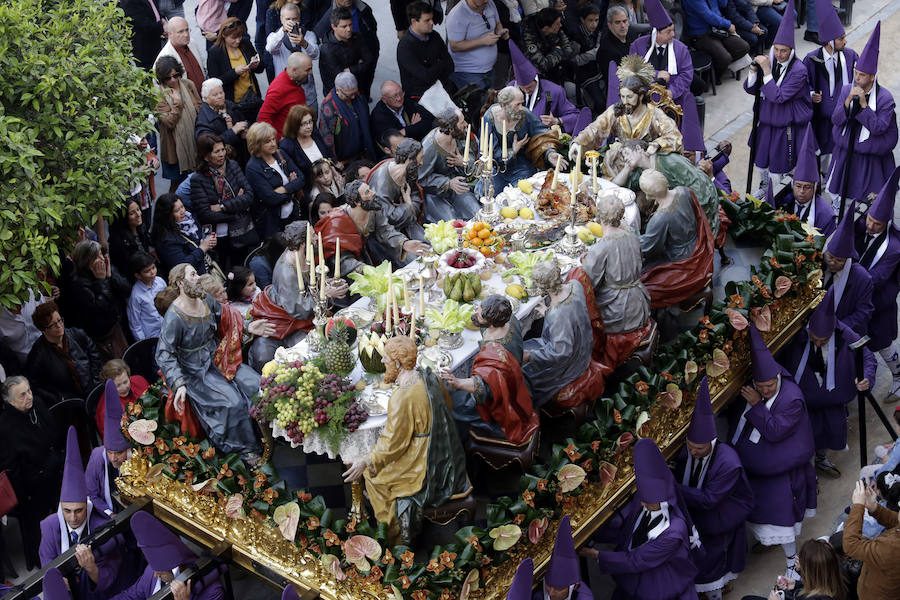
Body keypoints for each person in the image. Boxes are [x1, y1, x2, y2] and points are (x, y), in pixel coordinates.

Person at [342, 336, 469, 545]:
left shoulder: (402, 397)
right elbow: (448, 406)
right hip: (443, 447)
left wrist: (367, 461)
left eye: (386, 360)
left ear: (399, 364)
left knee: (376, 478)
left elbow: (393, 445)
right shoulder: (429, 377)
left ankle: (395, 538)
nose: (382, 362)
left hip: (423, 461)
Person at [729, 323, 817, 580]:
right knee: (762, 517)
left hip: (784, 473)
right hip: (758, 471)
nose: (765, 391)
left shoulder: (791, 398)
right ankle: (769, 541)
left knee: (782, 522)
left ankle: (792, 561)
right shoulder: (755, 389)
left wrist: (758, 405)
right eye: (761, 386)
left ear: (778, 376)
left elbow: (776, 431)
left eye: (769, 386)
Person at [156, 263, 267, 464]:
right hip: (196, 371)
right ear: (180, 282)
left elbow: (227, 318)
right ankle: (245, 450)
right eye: (193, 274)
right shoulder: (174, 317)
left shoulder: (205, 299)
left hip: (219, 356)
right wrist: (178, 382)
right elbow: (164, 353)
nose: (198, 277)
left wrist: (248, 327)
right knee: (232, 403)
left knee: (255, 383)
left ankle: (266, 432)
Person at [579, 438, 699, 599]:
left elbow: (637, 560)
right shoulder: (645, 501)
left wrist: (595, 554)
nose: (642, 503)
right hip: (633, 579)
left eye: (647, 502)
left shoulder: (674, 532)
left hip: (659, 587)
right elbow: (628, 530)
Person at [673, 377, 753, 600]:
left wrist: (675, 489)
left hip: (721, 515)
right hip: (699, 513)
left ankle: (716, 592)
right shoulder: (688, 451)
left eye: (698, 448)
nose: (693, 452)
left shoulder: (728, 463)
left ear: (712, 441)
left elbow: (709, 499)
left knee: (715, 558)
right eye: (690, 447)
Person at [784, 288, 876, 478]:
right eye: (814, 339)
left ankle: (821, 458)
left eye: (823, 340)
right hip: (806, 399)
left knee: (831, 431)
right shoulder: (800, 333)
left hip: (833, 398)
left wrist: (866, 377)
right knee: (806, 437)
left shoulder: (845, 333)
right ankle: (808, 474)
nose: (818, 343)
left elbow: (867, 357)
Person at [40, 427, 128, 600]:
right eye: (67, 511)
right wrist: (57, 581)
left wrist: (92, 568)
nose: (73, 518)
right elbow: (47, 565)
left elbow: (111, 576)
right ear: (60, 507)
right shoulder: (49, 526)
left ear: (87, 506)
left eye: (79, 510)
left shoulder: (104, 530)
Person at [441, 295, 539, 444]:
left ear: (490, 322)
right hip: (515, 377)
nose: (475, 313)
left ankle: (461, 443)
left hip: (502, 399)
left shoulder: (494, 352)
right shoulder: (511, 320)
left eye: (479, 314)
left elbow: (483, 386)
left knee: (454, 404)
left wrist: (458, 382)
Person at [248, 222, 345, 370]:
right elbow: (298, 309)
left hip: (298, 308)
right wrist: (326, 295)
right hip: (285, 317)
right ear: (302, 242)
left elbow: (309, 283)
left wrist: (325, 283)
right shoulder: (287, 273)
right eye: (313, 235)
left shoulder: (304, 254)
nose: (316, 238)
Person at [744, 2, 813, 196]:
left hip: (784, 126)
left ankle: (777, 196)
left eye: (784, 51)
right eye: (776, 50)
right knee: (760, 162)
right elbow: (751, 89)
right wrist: (752, 70)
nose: (779, 55)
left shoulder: (799, 70)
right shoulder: (771, 60)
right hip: (765, 122)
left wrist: (765, 70)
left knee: (778, 168)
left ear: (791, 50)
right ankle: (764, 188)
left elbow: (778, 96)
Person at [826, 22, 898, 206]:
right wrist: (848, 102)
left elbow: (879, 128)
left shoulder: (885, 99)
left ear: (872, 77)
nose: (857, 78)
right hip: (844, 152)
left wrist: (864, 107)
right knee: (839, 197)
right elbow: (835, 120)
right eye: (856, 73)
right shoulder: (846, 90)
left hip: (868, 157)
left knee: (864, 200)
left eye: (862, 75)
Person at [606, 128, 720, 239]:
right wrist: (627, 168)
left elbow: (699, 186)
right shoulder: (641, 170)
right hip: (677, 205)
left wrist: (691, 215)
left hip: (701, 204)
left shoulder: (668, 160)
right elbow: (616, 187)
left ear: (638, 148)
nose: (625, 158)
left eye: (626, 153)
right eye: (624, 157)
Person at [582, 192, 652, 373]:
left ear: (599, 217)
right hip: (639, 298)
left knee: (583, 314)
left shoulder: (601, 247)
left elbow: (590, 281)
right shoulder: (631, 234)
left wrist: (585, 262)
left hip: (617, 308)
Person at [0, 376, 62, 570]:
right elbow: (11, 468)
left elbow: (53, 434)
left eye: (29, 391)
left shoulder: (38, 405)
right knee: (37, 528)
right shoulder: (6, 427)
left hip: (53, 474)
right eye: (22, 395)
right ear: (10, 402)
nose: (29, 397)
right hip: (31, 489)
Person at [570, 56, 684, 159]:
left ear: (641, 95)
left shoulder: (654, 113)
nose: (625, 101)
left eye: (629, 97)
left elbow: (674, 135)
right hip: (620, 160)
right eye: (622, 96)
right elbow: (595, 129)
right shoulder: (616, 111)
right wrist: (578, 143)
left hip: (646, 160)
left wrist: (657, 144)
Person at [315, 180, 430, 276]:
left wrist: (404, 243)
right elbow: (342, 261)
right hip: (345, 272)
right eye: (367, 192)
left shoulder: (372, 209)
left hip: (366, 257)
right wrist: (368, 271)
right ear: (357, 202)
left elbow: (385, 231)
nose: (373, 193)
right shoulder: (336, 223)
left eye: (370, 189)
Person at [854, 168, 900, 401]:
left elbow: (876, 279)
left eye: (877, 224)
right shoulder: (862, 224)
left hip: (879, 304)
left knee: (883, 344)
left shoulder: (892, 249)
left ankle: (899, 376)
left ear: (887, 223)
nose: (871, 226)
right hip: (861, 302)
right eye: (870, 219)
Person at [638, 169, 714, 309]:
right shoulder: (684, 191)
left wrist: (632, 239)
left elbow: (649, 248)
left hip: (681, 259)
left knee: (643, 279)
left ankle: (665, 313)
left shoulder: (660, 218)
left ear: (649, 195)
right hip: (699, 244)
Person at [629, 0, 702, 145]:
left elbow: (687, 75)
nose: (673, 35)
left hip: (675, 102)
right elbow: (631, 71)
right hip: (644, 102)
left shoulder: (681, 49)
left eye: (673, 30)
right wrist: (655, 74)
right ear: (656, 33)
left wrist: (671, 93)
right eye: (668, 32)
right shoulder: (637, 46)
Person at [522, 259, 593, 406]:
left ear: (542, 287)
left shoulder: (557, 314)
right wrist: (547, 312)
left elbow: (561, 352)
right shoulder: (575, 285)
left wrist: (530, 356)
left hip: (572, 363)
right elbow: (570, 316)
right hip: (584, 343)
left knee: (522, 374)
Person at [112, 511, 225, 600]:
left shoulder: (213, 592)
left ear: (176, 566)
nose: (155, 574)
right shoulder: (151, 571)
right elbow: (130, 596)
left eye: (161, 572)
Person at [803, 0, 858, 181]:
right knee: (823, 149)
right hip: (821, 121)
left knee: (839, 149)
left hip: (843, 117)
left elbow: (858, 79)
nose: (846, 41)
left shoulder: (851, 56)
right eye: (841, 38)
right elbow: (803, 84)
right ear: (829, 42)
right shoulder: (811, 59)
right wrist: (811, 94)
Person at [192, 134, 258, 268]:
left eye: (223, 149)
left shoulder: (232, 166)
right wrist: (237, 208)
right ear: (206, 156)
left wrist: (222, 206)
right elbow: (205, 214)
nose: (222, 154)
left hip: (241, 232)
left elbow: (249, 196)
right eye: (217, 151)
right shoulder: (198, 179)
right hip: (218, 237)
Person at [485, 86, 568, 191]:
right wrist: (513, 151)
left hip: (521, 166)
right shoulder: (490, 118)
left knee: (520, 193)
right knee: (490, 194)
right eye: (517, 104)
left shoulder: (524, 114)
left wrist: (549, 153)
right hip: (497, 169)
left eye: (522, 103)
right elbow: (488, 151)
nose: (521, 108)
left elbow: (541, 134)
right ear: (505, 105)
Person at [508, 40, 591, 136]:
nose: (526, 90)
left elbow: (575, 116)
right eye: (523, 88)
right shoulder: (510, 89)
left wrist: (557, 120)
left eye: (529, 87)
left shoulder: (553, 91)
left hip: (544, 141)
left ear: (536, 79)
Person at [26, 301, 101, 406]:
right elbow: (35, 385)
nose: (60, 326)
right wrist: (57, 397)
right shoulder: (38, 355)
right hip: (70, 401)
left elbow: (94, 355)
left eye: (60, 320)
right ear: (43, 330)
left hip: (92, 389)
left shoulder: (77, 334)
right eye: (53, 324)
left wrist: (96, 381)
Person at [68, 240, 131, 360]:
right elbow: (100, 308)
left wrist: (109, 276)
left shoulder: (106, 268)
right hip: (103, 335)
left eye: (101, 254)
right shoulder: (79, 283)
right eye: (95, 257)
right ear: (86, 261)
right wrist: (101, 281)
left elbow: (126, 289)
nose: (101, 259)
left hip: (120, 325)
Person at [418, 107, 481, 221]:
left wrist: (463, 162)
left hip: (459, 186)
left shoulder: (460, 134)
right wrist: (448, 183)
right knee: (452, 224)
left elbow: (470, 153)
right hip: (435, 193)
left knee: (477, 214)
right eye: (462, 122)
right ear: (451, 129)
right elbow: (421, 178)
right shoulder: (428, 148)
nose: (466, 124)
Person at [819, 204, 873, 338]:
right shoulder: (817, 264)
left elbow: (864, 312)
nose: (832, 262)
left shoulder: (862, 279)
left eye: (839, 260)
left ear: (848, 259)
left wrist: (836, 326)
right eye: (830, 257)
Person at [245, 121, 305, 239]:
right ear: (257, 144)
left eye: (273, 139)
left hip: (293, 212)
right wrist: (292, 186)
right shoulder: (252, 167)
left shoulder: (280, 153)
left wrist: (283, 189)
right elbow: (270, 198)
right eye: (267, 141)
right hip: (273, 223)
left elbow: (301, 178)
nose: (273, 143)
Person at [775, 125, 836, 236]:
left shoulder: (825, 214)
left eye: (807, 187)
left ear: (815, 187)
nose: (802, 191)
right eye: (798, 186)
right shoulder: (782, 201)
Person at [843, 479, 900, 600]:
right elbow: (896, 522)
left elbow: (851, 545)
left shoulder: (892, 548)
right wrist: (874, 508)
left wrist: (858, 506)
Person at [365, 138, 428, 242]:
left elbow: (416, 196)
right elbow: (389, 218)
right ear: (409, 159)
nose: (421, 163)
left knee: (431, 246)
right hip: (389, 235)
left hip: (410, 224)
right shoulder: (380, 182)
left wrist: (408, 207)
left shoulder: (409, 171)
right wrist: (407, 205)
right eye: (420, 158)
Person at [86, 380, 132, 516]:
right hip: (106, 516)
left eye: (118, 453)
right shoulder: (96, 457)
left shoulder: (138, 459)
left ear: (128, 449)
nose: (113, 458)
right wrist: (110, 514)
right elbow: (91, 494)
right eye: (109, 452)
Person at [155, 56, 202, 191]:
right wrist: (178, 104)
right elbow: (169, 122)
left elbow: (199, 108)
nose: (173, 80)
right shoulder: (158, 95)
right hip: (174, 149)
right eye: (168, 78)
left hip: (194, 142)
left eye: (176, 75)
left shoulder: (188, 84)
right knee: (178, 185)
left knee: (197, 181)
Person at [446, 0, 509, 92]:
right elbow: (454, 46)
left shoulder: (489, 3)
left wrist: (500, 31)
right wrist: (482, 41)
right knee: (477, 104)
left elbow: (497, 23)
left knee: (489, 102)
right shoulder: (457, 15)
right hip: (468, 73)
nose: (486, 1)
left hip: (489, 69)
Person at [265, 2, 319, 108]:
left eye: (294, 19)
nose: (292, 22)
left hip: (307, 94)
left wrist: (304, 43)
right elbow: (270, 48)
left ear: (299, 18)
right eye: (288, 19)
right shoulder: (275, 36)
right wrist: (283, 31)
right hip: (285, 95)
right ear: (281, 19)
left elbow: (316, 54)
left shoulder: (308, 35)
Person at [397, 1, 455, 100]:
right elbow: (425, 77)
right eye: (427, 20)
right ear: (414, 21)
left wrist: (433, 68)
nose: (432, 23)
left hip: (442, 90)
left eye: (432, 19)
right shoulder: (405, 47)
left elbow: (450, 65)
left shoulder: (435, 36)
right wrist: (440, 63)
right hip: (419, 98)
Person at [318, 7, 377, 100]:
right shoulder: (327, 49)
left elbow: (369, 60)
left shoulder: (357, 37)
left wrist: (351, 70)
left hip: (359, 88)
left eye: (350, 25)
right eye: (344, 26)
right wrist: (360, 66)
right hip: (339, 94)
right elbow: (340, 76)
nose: (349, 29)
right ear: (334, 27)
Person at [151, 194, 218, 276]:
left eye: (182, 207)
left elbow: (198, 243)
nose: (182, 211)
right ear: (167, 215)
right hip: (192, 280)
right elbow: (182, 267)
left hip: (206, 268)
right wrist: (202, 248)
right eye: (177, 210)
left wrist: (208, 242)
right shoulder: (166, 240)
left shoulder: (190, 220)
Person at [206, 18, 264, 113]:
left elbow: (260, 68)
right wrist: (234, 73)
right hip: (234, 105)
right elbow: (215, 82)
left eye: (240, 37)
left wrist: (256, 64)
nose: (237, 41)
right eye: (233, 38)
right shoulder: (215, 53)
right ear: (224, 35)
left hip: (253, 98)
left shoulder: (245, 43)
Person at [318, 72, 378, 164]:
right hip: (345, 156)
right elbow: (327, 136)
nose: (353, 97)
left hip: (364, 149)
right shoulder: (329, 106)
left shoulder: (357, 95)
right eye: (349, 95)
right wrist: (334, 161)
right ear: (338, 90)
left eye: (354, 93)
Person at [683, 0, 750, 80]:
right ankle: (713, 77)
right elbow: (708, 15)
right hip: (701, 34)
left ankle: (720, 68)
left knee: (743, 46)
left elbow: (723, 4)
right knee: (725, 58)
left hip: (718, 28)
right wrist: (728, 24)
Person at [279, 104, 335, 199]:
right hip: (310, 192)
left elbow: (328, 155)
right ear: (294, 125)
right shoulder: (287, 146)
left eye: (310, 122)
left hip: (330, 183)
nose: (309, 126)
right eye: (303, 124)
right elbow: (296, 176)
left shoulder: (315, 134)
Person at [533, 515, 592, 599]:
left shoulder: (584, 598)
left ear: (575, 586)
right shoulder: (537, 596)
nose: (551, 593)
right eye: (549, 585)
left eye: (558, 589)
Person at [257, 52, 312, 141]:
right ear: (294, 71)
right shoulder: (278, 89)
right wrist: (279, 139)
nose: (311, 73)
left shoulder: (295, 80)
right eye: (308, 70)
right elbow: (263, 119)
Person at [195, 78, 249, 163]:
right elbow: (208, 145)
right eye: (215, 95)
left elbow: (243, 119)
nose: (220, 96)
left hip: (242, 155)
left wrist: (244, 130)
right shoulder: (203, 120)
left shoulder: (229, 104)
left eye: (221, 92)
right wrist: (233, 131)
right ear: (205, 99)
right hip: (223, 162)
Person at [312, 0, 380, 67]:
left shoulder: (363, 7)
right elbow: (319, 41)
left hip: (369, 56)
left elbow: (373, 27)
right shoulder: (328, 18)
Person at [520, 8, 577, 85]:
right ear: (546, 28)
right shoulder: (529, 40)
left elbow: (568, 50)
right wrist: (557, 51)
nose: (560, 26)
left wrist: (553, 57)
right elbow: (543, 65)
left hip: (557, 72)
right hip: (537, 80)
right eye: (557, 24)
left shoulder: (555, 27)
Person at [94, 360, 150, 438]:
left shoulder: (139, 381)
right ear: (109, 386)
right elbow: (113, 441)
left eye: (125, 382)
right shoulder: (106, 411)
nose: (124, 388)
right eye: (118, 385)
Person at [568, 3, 605, 111]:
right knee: (600, 103)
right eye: (590, 20)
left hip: (598, 70)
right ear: (582, 20)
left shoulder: (596, 32)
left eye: (596, 20)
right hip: (583, 74)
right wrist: (592, 54)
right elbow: (572, 61)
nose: (594, 24)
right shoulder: (576, 37)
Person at [154, 17, 205, 91]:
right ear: (170, 34)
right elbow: (159, 87)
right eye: (180, 32)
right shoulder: (164, 57)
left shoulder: (192, 43)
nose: (186, 34)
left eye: (187, 30)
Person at [109, 198, 155, 278]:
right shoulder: (119, 242)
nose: (138, 214)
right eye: (132, 213)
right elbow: (126, 269)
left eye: (138, 209)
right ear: (123, 218)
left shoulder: (141, 229)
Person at [127, 251, 167, 341]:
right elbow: (135, 324)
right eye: (147, 271)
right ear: (138, 275)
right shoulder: (136, 296)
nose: (152, 272)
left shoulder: (160, 282)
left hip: (168, 328)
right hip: (153, 337)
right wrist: (144, 343)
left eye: (153, 268)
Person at [118, 0, 166, 71]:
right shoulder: (129, 2)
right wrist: (163, 27)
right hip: (143, 48)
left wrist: (163, 20)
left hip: (155, 42)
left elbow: (154, 12)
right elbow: (143, 24)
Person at [596, 6, 638, 85]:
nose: (622, 26)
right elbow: (618, 79)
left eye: (624, 21)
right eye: (617, 22)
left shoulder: (632, 36)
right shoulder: (606, 49)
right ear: (609, 25)